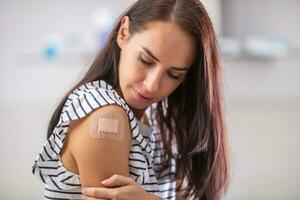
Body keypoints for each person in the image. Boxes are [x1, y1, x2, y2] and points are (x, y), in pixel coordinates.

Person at [32, 0, 230, 199]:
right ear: (123, 33)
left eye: (174, 74)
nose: (151, 85)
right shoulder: (105, 115)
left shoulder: (159, 117)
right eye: (145, 60)